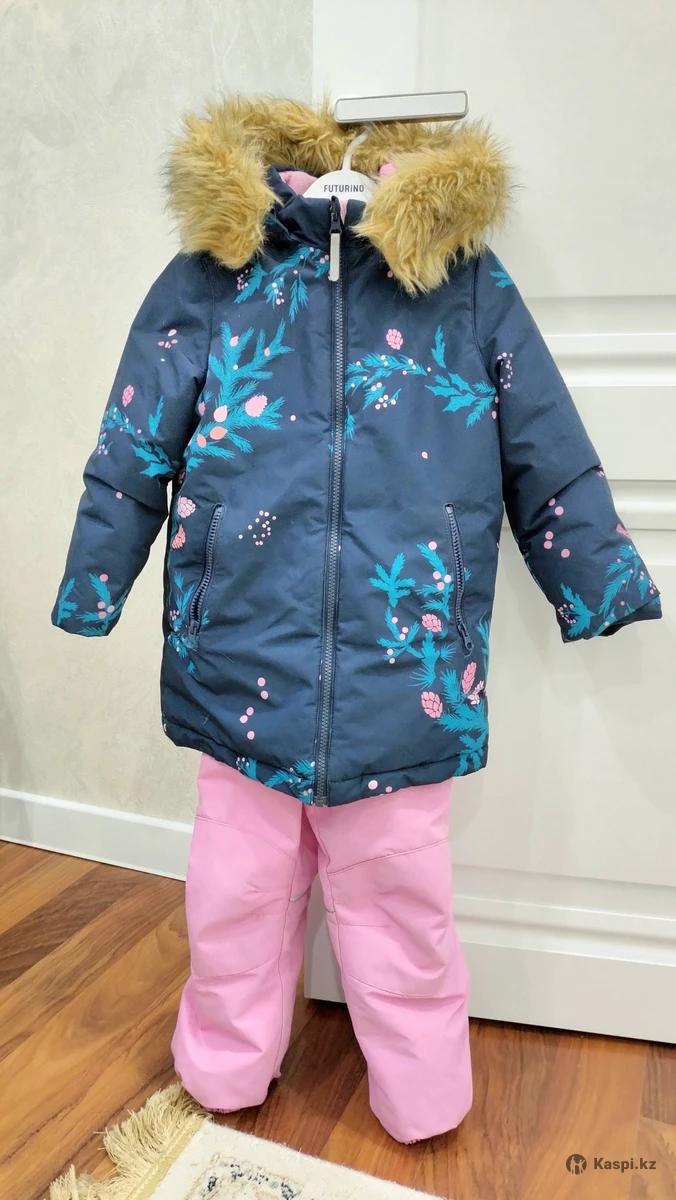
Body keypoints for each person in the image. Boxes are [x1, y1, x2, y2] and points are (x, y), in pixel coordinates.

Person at [50, 94, 662, 1143]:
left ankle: (422, 1096)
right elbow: (133, 441)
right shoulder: (215, 274)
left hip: (404, 664)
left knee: (401, 912)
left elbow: (544, 441)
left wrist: (596, 578)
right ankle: (225, 1070)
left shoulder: (461, 282)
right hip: (238, 659)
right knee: (234, 900)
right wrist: (93, 582)